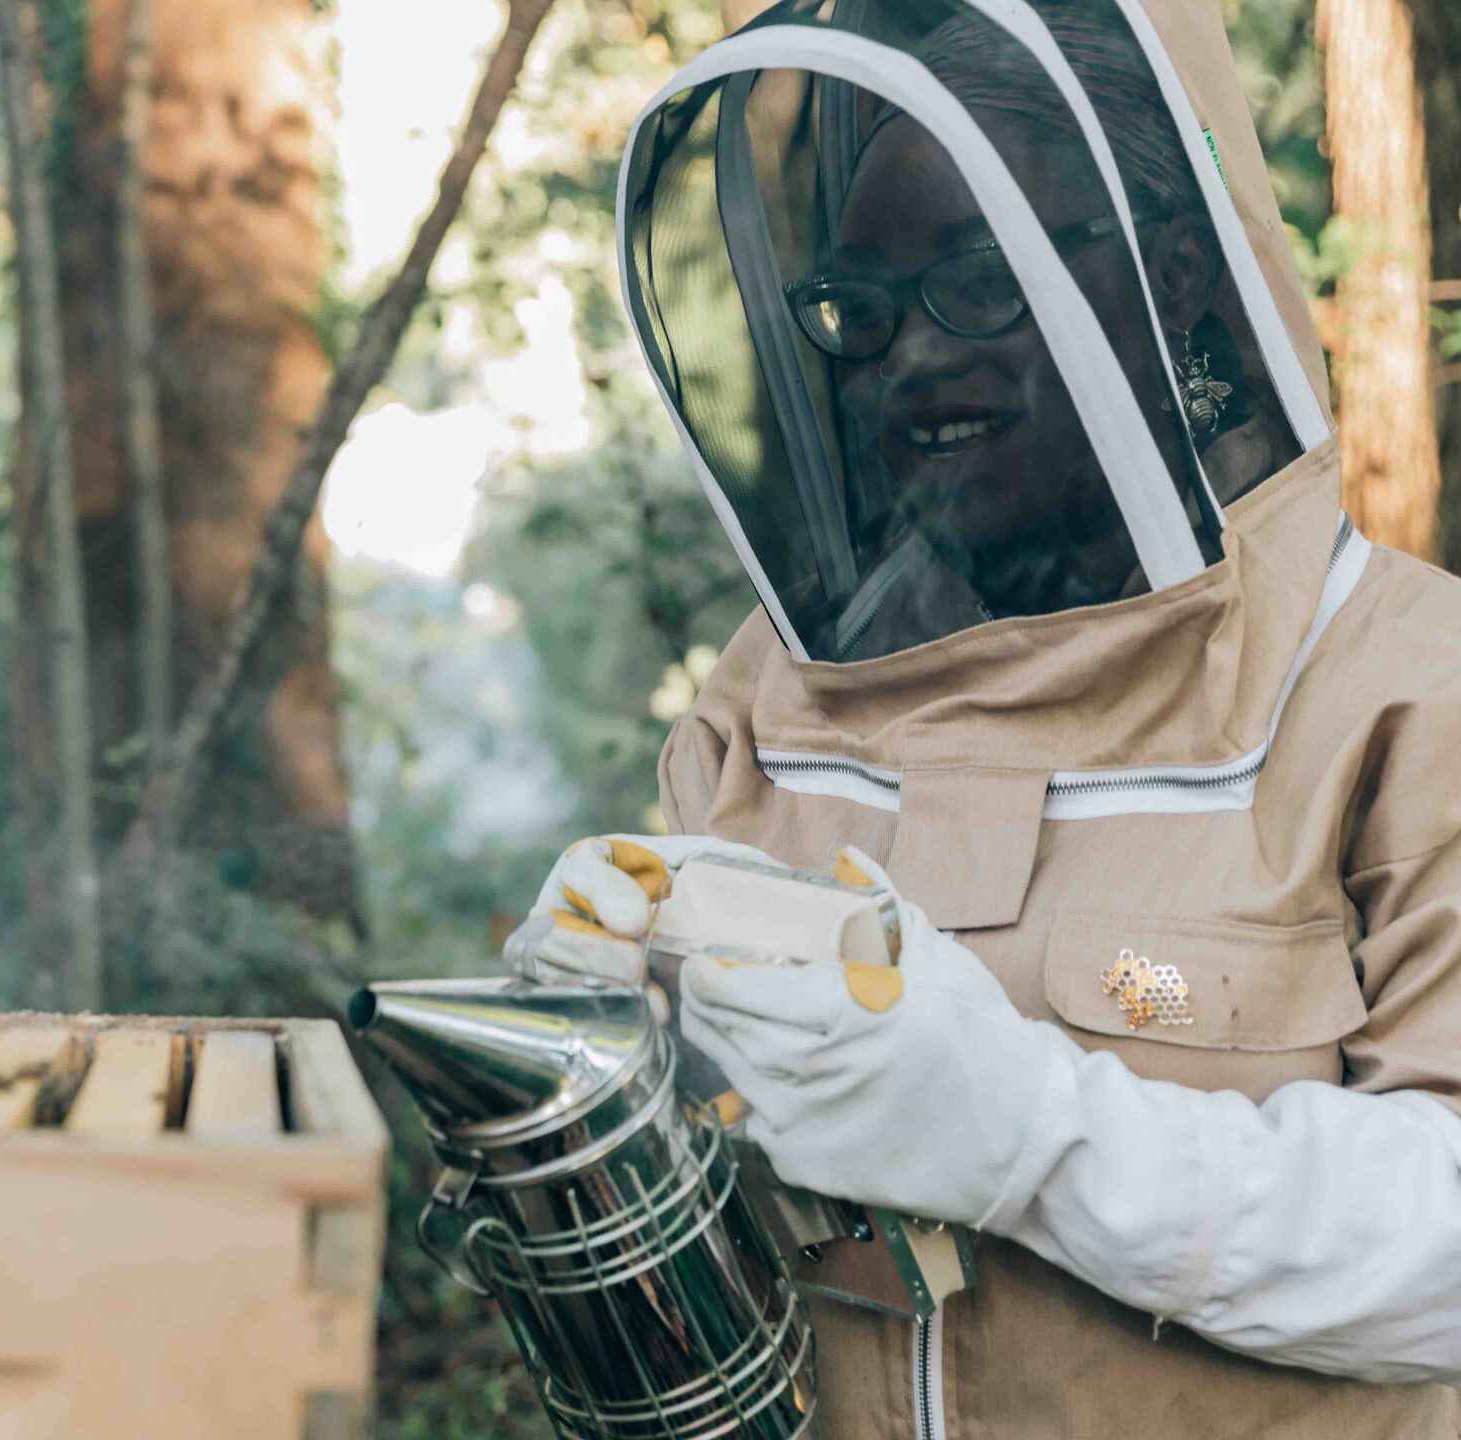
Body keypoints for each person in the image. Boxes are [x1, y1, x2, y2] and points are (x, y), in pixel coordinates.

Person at [505, 0, 1461, 1434]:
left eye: (978, 283)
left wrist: (1037, 1139)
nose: (908, 360)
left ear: (1179, 274)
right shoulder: (771, 693)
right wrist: (618, 1067)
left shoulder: (1399, 683)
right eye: (861, 312)